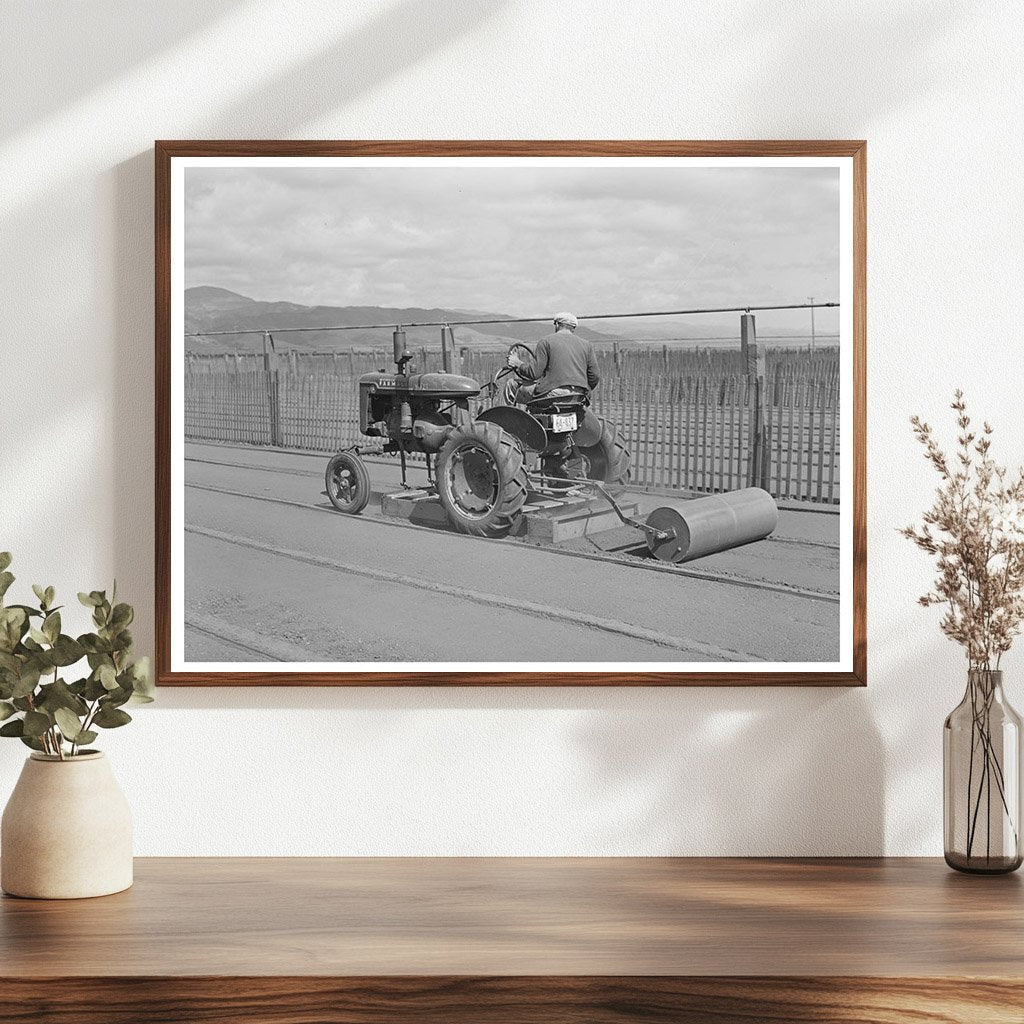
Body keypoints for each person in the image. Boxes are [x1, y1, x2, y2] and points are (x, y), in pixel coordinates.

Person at [504, 311, 600, 406]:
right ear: (573, 328)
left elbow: (534, 373)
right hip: (579, 396)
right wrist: (583, 388)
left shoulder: (546, 341)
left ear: (557, 325)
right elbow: (594, 376)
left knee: (511, 385)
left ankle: (509, 420)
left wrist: (518, 364)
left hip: (553, 395)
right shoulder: (587, 345)